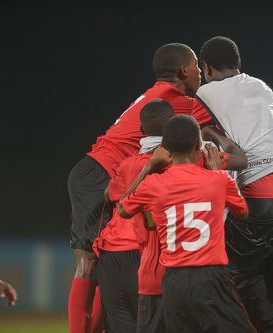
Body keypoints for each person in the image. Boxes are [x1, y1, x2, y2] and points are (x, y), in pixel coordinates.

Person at [67, 42, 212, 333]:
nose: (201, 73)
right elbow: (217, 130)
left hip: (94, 170)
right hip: (102, 174)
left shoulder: (154, 93)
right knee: (90, 264)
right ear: (184, 70)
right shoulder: (179, 101)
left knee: (98, 260)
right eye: (197, 66)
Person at [193, 36, 273, 333]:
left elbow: (195, 132)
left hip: (253, 197)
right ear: (240, 64)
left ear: (205, 68)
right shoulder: (261, 86)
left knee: (240, 283)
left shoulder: (204, 94)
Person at [95, 99, 248, 333]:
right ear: (199, 143)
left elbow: (122, 206)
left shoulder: (148, 178)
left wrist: (148, 169)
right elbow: (243, 208)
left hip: (169, 279)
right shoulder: (216, 175)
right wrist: (218, 166)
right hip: (210, 274)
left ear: (164, 145)